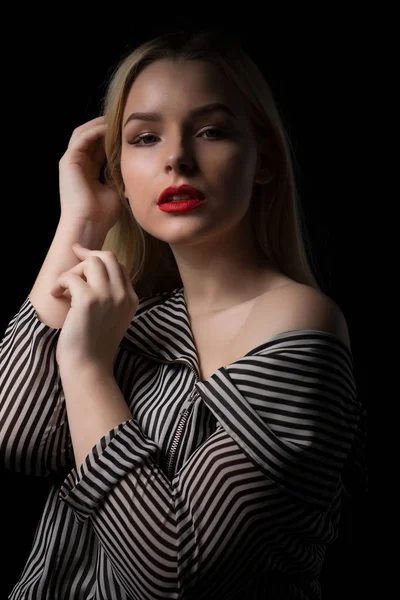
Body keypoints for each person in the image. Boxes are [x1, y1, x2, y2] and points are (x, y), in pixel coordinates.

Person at [0, 30, 366, 600]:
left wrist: (86, 366)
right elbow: (19, 437)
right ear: (118, 174)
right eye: (144, 138)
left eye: (211, 131)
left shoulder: (300, 324)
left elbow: (169, 572)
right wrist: (80, 222)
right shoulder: (140, 319)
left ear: (264, 160)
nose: (176, 158)